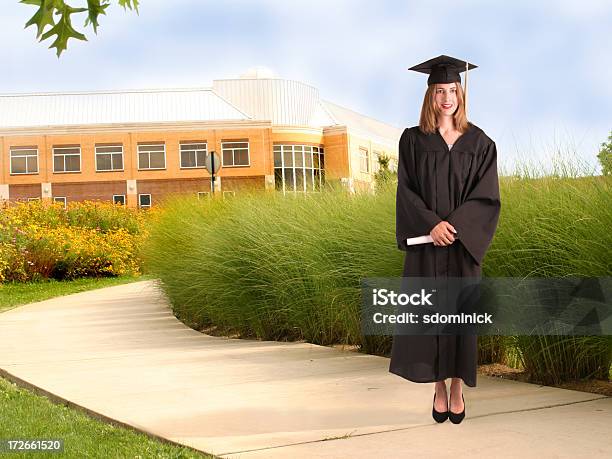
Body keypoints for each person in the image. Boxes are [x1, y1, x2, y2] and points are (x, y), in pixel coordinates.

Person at [389, 55, 501, 424]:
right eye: (440, 90)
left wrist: (453, 227)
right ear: (430, 96)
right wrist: (432, 225)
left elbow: (486, 196)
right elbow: (406, 191)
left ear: (461, 93)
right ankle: (438, 386)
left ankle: (457, 387)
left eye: (452, 89)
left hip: (463, 248)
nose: (447, 97)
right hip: (427, 246)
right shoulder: (413, 140)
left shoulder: (481, 143)